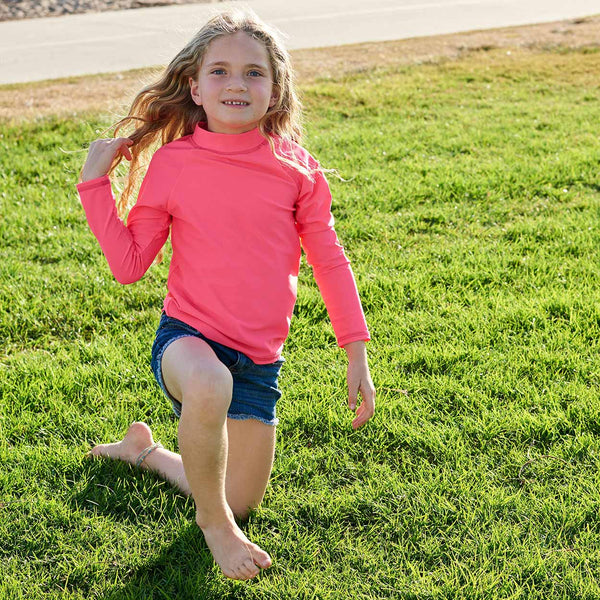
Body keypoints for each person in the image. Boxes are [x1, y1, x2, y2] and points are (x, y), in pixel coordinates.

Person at [77, 8, 375, 581]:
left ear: (276, 88)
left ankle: (145, 450)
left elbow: (329, 259)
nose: (236, 83)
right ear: (194, 85)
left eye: (253, 73)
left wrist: (355, 348)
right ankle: (214, 528)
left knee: (238, 498)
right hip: (187, 342)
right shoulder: (174, 163)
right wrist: (96, 185)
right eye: (219, 71)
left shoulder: (299, 172)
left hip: (259, 361)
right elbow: (130, 265)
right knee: (211, 389)